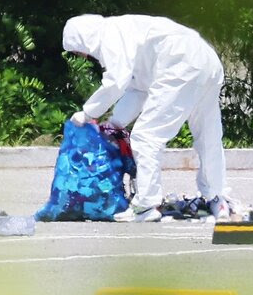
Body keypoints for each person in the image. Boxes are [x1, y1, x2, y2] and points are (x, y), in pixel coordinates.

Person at [62, 14, 231, 223]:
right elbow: (138, 90)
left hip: (181, 64)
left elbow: (116, 82)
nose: (82, 56)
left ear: (83, 38)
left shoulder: (110, 36)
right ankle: (216, 196)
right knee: (208, 135)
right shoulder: (129, 32)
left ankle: (146, 205)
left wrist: (87, 114)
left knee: (145, 137)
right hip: (206, 61)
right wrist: (114, 124)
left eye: (78, 50)